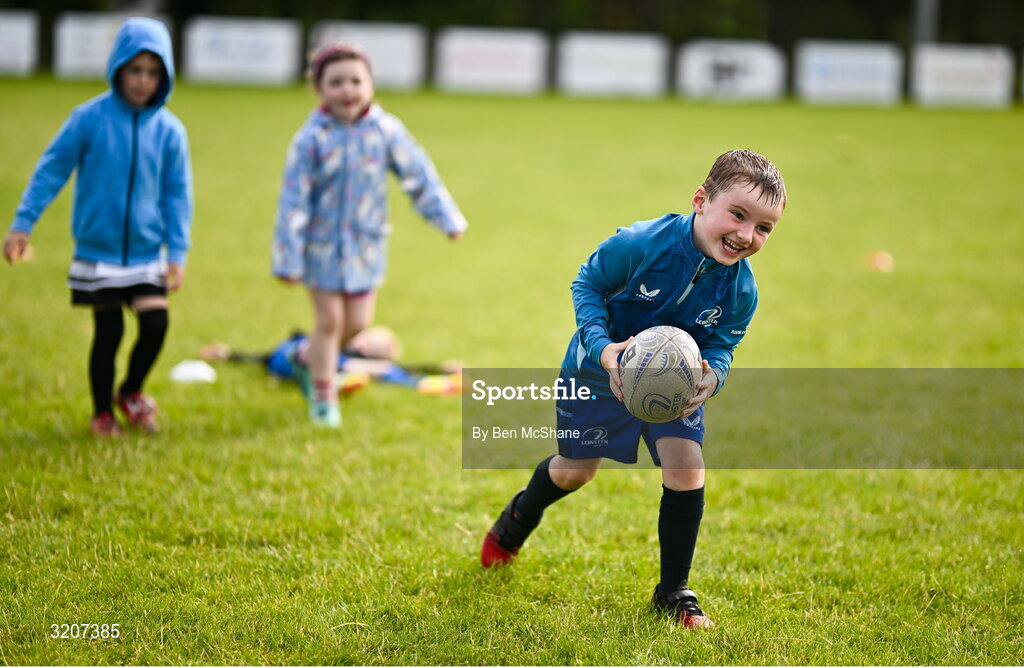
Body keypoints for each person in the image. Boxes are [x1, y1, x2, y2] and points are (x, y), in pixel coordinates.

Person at [479, 150, 787, 628]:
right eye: (738, 214)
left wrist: (714, 374)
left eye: (764, 228)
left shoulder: (741, 290)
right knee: (576, 472)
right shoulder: (641, 244)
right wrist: (603, 350)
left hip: (674, 388)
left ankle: (673, 593)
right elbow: (587, 284)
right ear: (701, 200)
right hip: (599, 376)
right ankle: (520, 514)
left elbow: (723, 343)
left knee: (687, 468)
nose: (747, 235)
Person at [3, 18, 192, 437]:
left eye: (153, 72)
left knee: (156, 324)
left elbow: (178, 194)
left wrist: (177, 253)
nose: (143, 81)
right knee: (109, 331)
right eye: (134, 69)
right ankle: (102, 413)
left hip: (146, 251)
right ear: (118, 68)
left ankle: (131, 391)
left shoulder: (170, 132)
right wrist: (23, 223)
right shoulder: (88, 119)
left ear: (164, 75)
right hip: (98, 251)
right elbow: (51, 170)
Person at [273, 43, 468, 428]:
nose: (347, 90)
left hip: (365, 246)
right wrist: (288, 258)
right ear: (319, 90)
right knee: (330, 322)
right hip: (322, 248)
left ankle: (304, 354)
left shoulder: (386, 131)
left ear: (371, 85)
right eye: (336, 83)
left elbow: (418, 175)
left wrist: (447, 218)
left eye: (356, 81)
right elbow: (292, 201)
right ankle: (324, 396)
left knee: (357, 324)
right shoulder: (311, 139)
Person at [199, 326, 463, 396]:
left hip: (326, 367)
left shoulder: (369, 362)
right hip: (292, 358)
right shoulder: (335, 341)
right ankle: (335, 383)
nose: (370, 345)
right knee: (361, 368)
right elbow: (263, 356)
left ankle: (337, 384)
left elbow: (400, 369)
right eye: (372, 338)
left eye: (379, 348)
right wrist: (229, 354)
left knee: (375, 371)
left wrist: (440, 368)